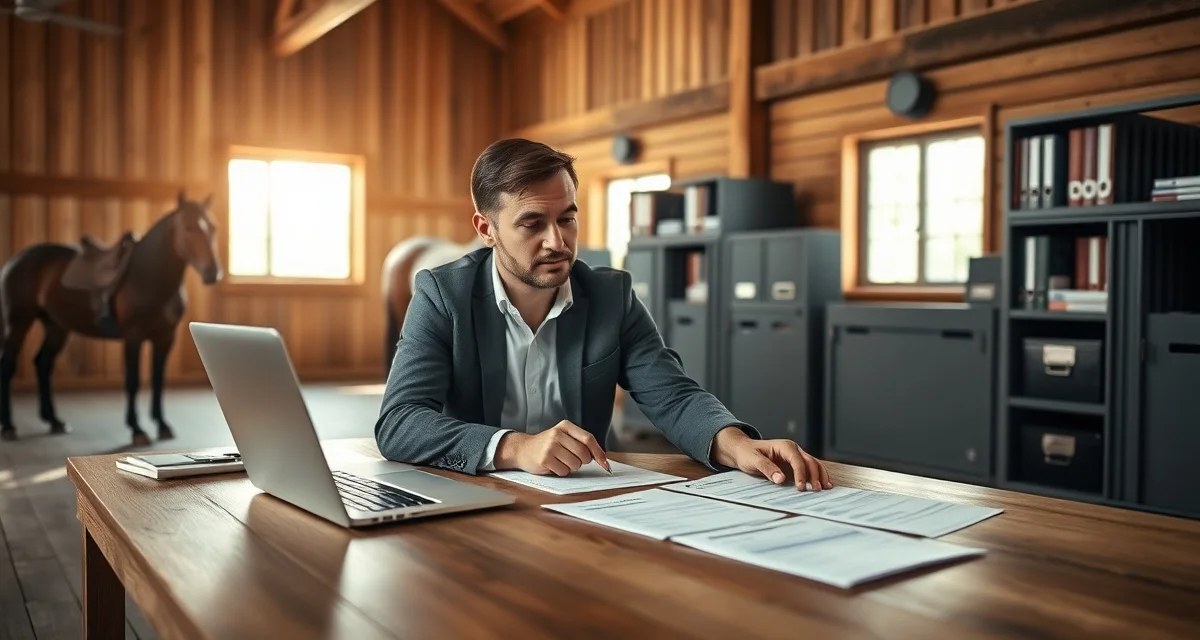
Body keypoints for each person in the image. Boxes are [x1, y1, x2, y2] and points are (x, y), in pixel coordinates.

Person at [374, 138, 832, 491]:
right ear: (485, 228)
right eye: (532, 223)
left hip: (583, 500)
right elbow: (399, 422)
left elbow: (671, 395)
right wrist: (515, 447)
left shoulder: (612, 295)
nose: (557, 242)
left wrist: (736, 443)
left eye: (567, 219)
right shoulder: (442, 294)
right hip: (475, 494)